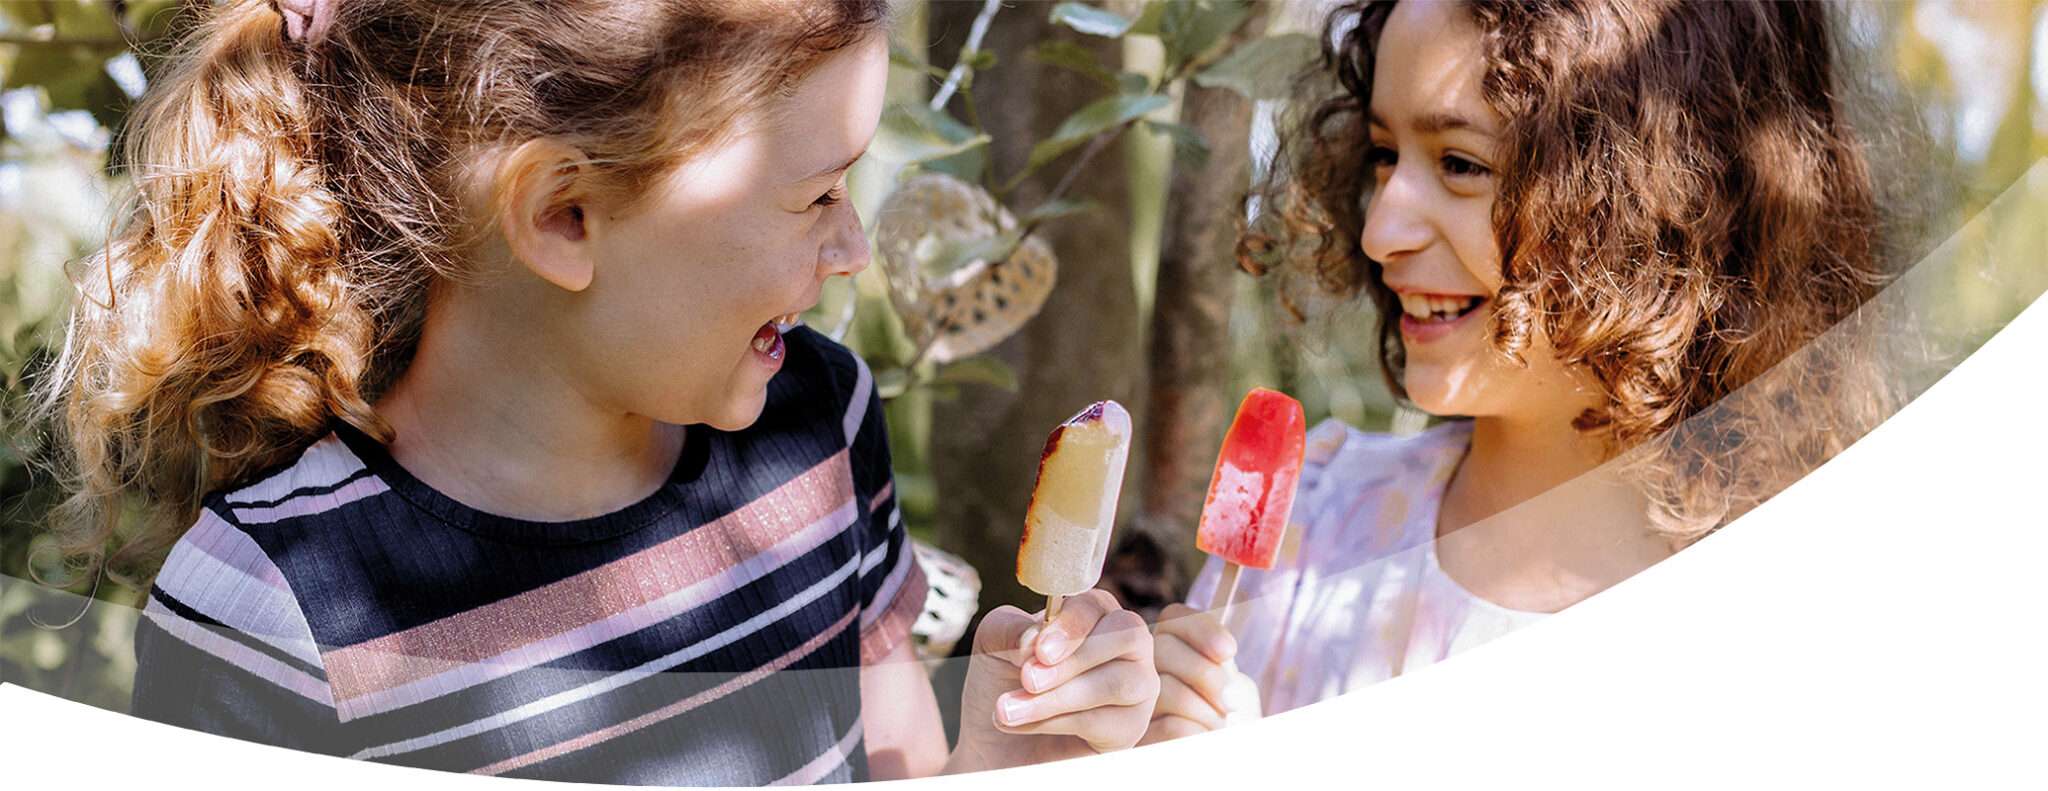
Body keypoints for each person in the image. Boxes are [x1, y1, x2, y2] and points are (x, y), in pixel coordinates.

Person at [32, 0, 1157, 783]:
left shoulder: (819, 420)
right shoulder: (272, 612)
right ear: (563, 215)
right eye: (816, 195)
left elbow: (895, 757)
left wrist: (1002, 767)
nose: (853, 246)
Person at [1144, 0, 1908, 741]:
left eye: (1461, 163)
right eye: (1385, 153)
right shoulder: (1309, 531)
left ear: (1663, 195)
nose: (1380, 231)